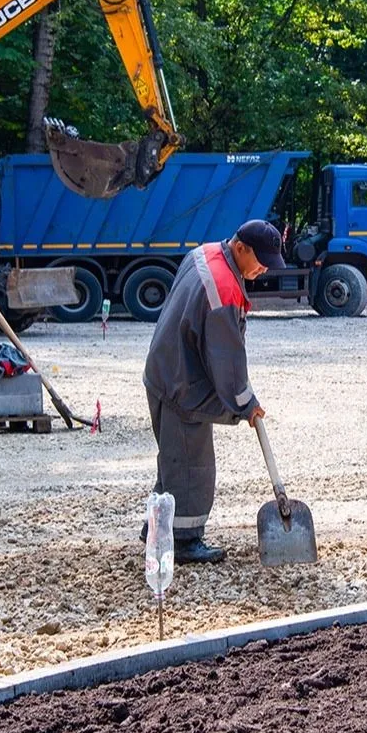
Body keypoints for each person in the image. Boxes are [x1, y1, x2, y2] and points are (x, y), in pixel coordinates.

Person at [141, 219, 285, 564]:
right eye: (260, 260)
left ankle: (156, 530)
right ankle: (184, 541)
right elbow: (227, 359)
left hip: (167, 370)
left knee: (174, 462)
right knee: (193, 467)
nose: (263, 269)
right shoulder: (224, 289)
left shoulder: (204, 253)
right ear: (240, 248)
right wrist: (246, 404)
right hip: (181, 386)